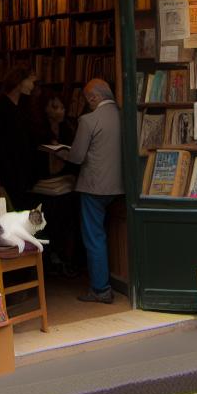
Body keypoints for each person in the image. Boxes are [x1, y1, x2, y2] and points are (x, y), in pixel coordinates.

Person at [52, 78, 123, 303]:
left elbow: (77, 156)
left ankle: (101, 289)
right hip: (118, 186)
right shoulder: (124, 115)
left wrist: (61, 153)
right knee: (109, 233)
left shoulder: (89, 120)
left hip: (94, 186)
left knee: (94, 237)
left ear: (94, 97)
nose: (87, 103)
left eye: (87, 99)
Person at [30, 92, 79, 277]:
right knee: (44, 222)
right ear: (45, 109)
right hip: (44, 184)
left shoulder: (69, 128)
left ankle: (65, 258)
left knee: (67, 219)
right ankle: (49, 259)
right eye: (55, 107)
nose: (59, 111)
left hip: (65, 182)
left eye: (62, 107)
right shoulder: (39, 130)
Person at [0, 65, 37, 210]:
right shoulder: (2, 107)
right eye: (31, 81)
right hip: (9, 168)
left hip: (22, 168)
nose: (33, 86)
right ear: (19, 82)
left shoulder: (23, 105)